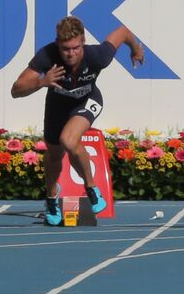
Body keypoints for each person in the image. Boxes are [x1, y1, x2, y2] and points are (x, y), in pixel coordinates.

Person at [10, 16, 144, 225]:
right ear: (58, 44)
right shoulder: (47, 55)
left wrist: (136, 49)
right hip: (57, 106)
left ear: (82, 41)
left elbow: (123, 32)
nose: (70, 54)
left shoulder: (98, 56)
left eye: (75, 48)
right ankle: (52, 197)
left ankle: (91, 187)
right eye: (65, 49)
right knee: (54, 154)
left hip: (87, 100)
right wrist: (41, 81)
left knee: (69, 140)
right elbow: (16, 90)